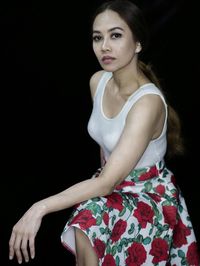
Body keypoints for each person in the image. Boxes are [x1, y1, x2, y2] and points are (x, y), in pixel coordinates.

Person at [9, 0, 200, 265]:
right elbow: (105, 146)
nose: (105, 46)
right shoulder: (98, 81)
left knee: (89, 220)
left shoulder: (147, 103)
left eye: (116, 35)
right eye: (97, 38)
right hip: (113, 184)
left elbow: (106, 182)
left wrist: (38, 208)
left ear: (138, 44)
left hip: (149, 195)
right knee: (86, 223)